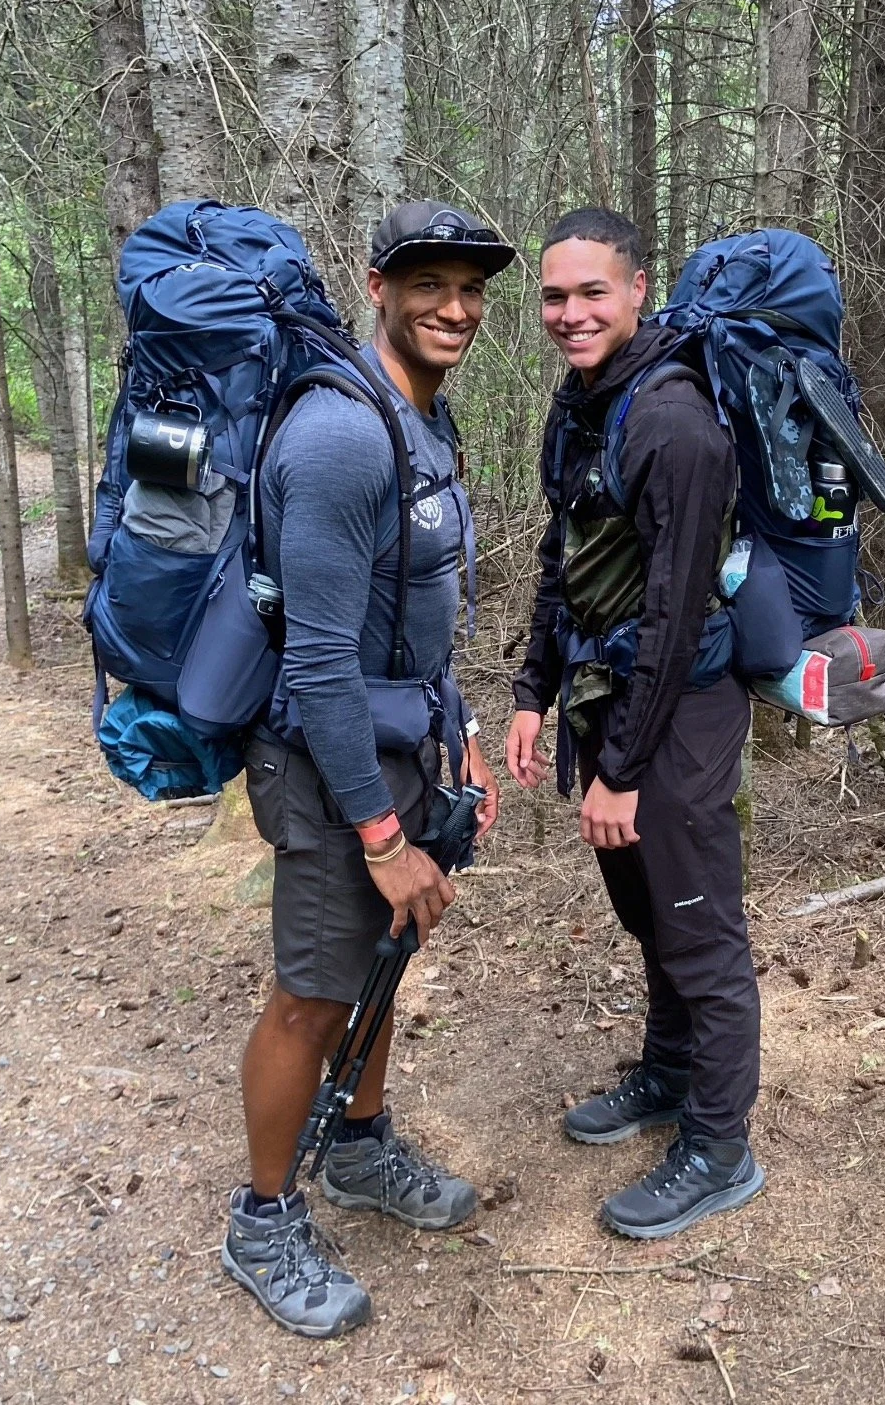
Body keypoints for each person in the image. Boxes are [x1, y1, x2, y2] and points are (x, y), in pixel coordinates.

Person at [223, 201, 511, 1338]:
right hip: (328, 763)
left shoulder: (419, 422)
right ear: (378, 284)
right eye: (431, 284)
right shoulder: (343, 435)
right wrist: (382, 841)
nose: (455, 308)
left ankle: (356, 1148)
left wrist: (466, 729)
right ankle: (260, 1218)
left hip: (402, 745)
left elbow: (419, 617)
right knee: (309, 993)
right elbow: (324, 660)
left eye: (473, 289)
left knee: (377, 962)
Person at [506, 208, 764, 1240]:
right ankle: (665, 1075)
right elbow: (562, 563)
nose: (570, 313)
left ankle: (719, 1145)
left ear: (638, 288)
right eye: (555, 297)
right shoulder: (582, 406)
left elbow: (672, 612)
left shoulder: (675, 425)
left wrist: (621, 769)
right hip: (606, 698)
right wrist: (530, 691)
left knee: (701, 933)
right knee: (649, 913)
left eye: (591, 293)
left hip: (679, 711)